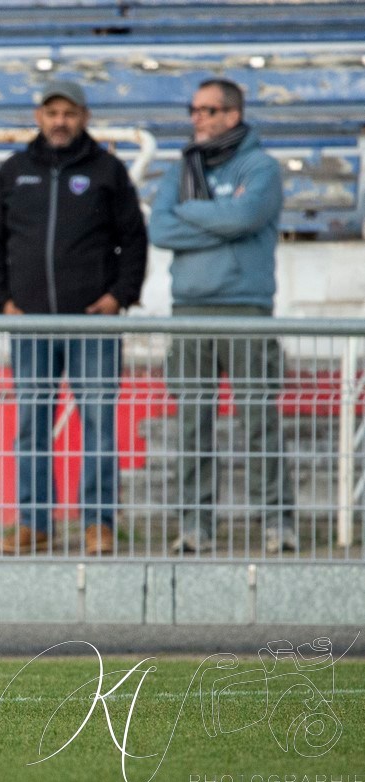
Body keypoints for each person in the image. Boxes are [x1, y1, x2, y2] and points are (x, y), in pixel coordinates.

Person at [0, 79, 148, 556]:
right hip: (29, 323)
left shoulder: (108, 170)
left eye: (69, 113)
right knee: (32, 423)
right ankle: (35, 523)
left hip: (94, 323)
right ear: (39, 117)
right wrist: (2, 299)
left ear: (84, 117)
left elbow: (133, 238)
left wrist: (120, 296)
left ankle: (98, 523)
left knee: (98, 422)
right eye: (52, 112)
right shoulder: (15, 171)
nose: (60, 121)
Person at [148, 77, 298, 554]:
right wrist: (220, 218)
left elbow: (244, 218)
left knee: (258, 420)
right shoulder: (182, 167)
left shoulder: (261, 167)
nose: (198, 118)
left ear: (233, 115)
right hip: (188, 311)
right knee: (193, 422)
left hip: (245, 310)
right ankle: (195, 526)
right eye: (194, 109)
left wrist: (194, 213)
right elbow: (160, 227)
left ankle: (277, 523)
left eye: (208, 110)